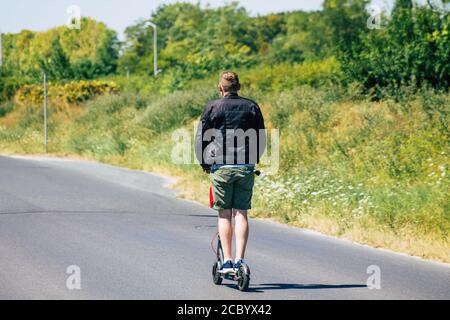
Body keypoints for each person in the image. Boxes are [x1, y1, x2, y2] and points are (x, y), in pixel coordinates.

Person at [195, 71, 266, 274]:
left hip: (221, 166)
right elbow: (261, 136)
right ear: (239, 87)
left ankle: (226, 261)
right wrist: (254, 159)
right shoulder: (252, 106)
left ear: (221, 88)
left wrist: (204, 163)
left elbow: (201, 139)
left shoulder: (212, 107)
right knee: (241, 213)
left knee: (225, 214)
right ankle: (239, 260)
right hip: (245, 166)